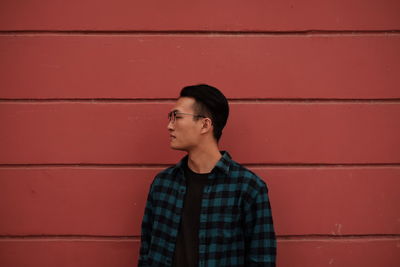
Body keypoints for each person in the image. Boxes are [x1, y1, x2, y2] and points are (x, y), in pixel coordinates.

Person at [138, 84, 276, 266]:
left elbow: (262, 261)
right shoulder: (163, 184)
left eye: (177, 117)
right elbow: (146, 254)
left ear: (205, 124)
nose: (169, 126)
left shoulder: (248, 188)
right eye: (170, 117)